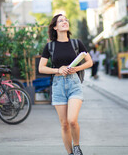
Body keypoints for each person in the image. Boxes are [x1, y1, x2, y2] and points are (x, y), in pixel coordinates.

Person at [38, 14, 93, 155]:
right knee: (64, 124)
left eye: (66, 20)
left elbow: (89, 62)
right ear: (55, 27)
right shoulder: (50, 46)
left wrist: (76, 68)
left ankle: (77, 147)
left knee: (72, 120)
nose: (65, 22)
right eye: (60, 21)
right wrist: (58, 69)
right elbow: (41, 68)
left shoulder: (76, 43)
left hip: (74, 83)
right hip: (58, 85)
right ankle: (70, 153)